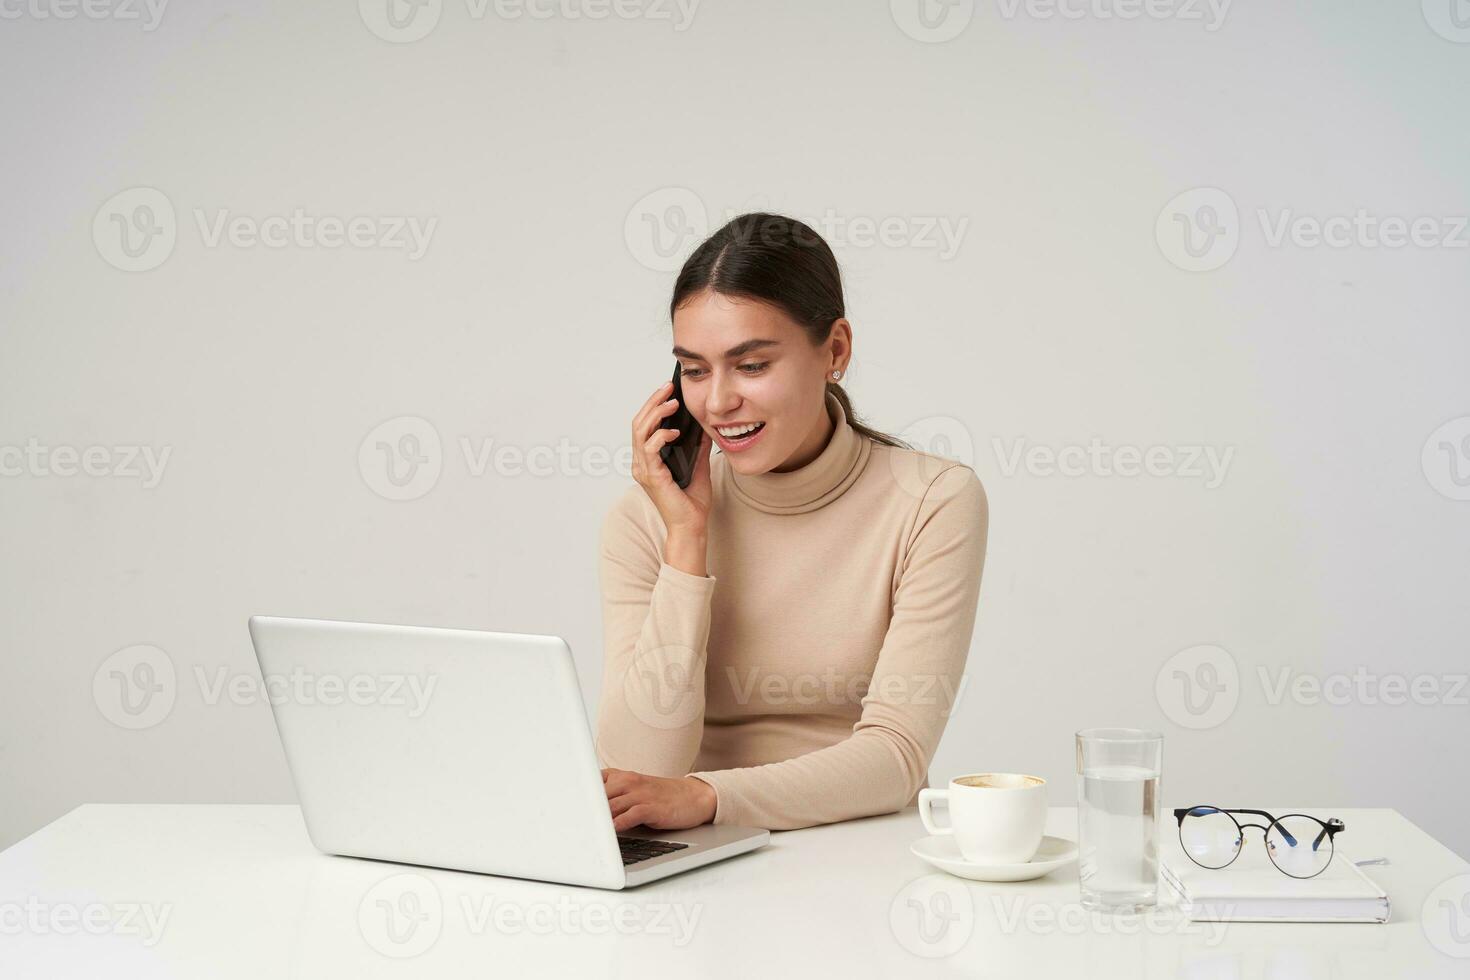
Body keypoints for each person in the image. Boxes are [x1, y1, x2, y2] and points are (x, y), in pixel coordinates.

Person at [597, 212, 988, 832]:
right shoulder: (647, 520)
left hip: (853, 850)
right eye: (695, 370)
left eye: (751, 366)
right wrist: (687, 539)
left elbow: (896, 757)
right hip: (691, 856)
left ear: (835, 349)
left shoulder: (931, 500)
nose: (719, 402)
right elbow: (636, 769)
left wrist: (707, 796)